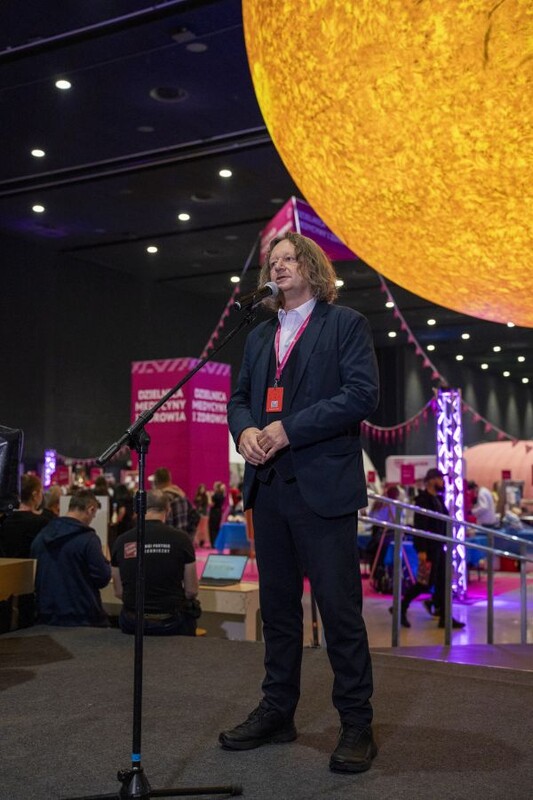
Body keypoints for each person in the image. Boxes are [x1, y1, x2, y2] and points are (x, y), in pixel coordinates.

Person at [221, 231, 379, 774]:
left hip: (323, 488)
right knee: (279, 611)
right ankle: (277, 712)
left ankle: (356, 723)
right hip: (268, 489)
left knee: (339, 611)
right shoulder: (259, 334)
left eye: (289, 258)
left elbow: (360, 395)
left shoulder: (345, 324)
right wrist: (244, 431)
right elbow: (238, 399)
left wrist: (288, 429)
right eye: (273, 261)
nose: (279, 266)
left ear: (311, 267)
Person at [111, 490, 199, 636]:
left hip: (132, 622)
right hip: (171, 622)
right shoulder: (181, 539)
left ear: (138, 510)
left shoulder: (121, 541)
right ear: (168, 510)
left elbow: (119, 592)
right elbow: (191, 591)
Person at [30, 489, 111, 627]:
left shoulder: (42, 535)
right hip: (82, 617)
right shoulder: (88, 539)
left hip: (47, 617)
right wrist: (106, 562)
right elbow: (102, 578)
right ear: (90, 509)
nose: (91, 520)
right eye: (93, 515)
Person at [399, 469, 465, 630]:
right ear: (431, 480)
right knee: (425, 583)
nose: (443, 482)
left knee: (443, 582)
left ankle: (445, 617)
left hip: (439, 546)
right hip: (428, 548)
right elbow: (420, 526)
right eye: (440, 479)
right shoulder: (423, 500)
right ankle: (401, 607)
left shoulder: (438, 499)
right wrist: (421, 550)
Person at [0, 473, 49, 627]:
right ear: (35, 494)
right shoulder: (42, 523)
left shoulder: (5, 520)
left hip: (4, 581)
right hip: (31, 583)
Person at [208, 481, 226, 547]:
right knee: (216, 528)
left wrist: (209, 496)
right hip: (219, 512)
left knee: (212, 528)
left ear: (216, 487)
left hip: (214, 512)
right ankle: (216, 543)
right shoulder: (222, 494)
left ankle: (213, 544)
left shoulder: (216, 495)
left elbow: (211, 504)